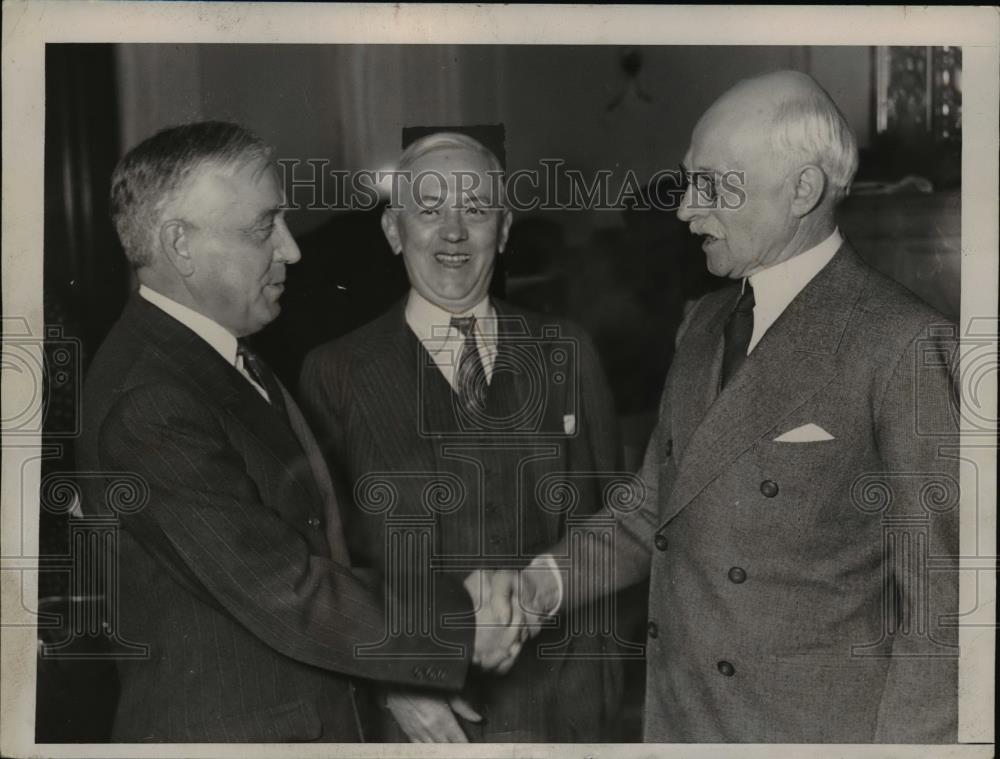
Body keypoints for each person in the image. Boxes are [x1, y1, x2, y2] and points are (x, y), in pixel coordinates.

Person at [512, 70, 960, 742]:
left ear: (802, 189)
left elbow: (943, 612)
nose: (686, 209)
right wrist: (542, 583)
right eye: (689, 181)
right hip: (683, 720)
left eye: (712, 185)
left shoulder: (903, 342)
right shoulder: (703, 321)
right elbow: (658, 503)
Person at [78, 121, 521, 742]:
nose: (291, 249)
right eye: (264, 227)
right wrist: (460, 621)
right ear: (179, 244)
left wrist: (389, 677)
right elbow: (277, 584)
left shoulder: (210, 356)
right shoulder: (150, 399)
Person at [299, 132, 629, 742]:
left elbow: (615, 525)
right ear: (394, 231)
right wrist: (388, 687)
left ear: (503, 233)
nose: (453, 232)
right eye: (429, 211)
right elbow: (330, 570)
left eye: (475, 211)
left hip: (563, 711)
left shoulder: (568, 351)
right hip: (425, 718)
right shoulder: (335, 372)